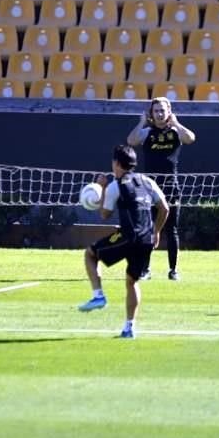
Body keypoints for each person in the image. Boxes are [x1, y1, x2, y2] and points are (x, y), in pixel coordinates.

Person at [79, 144, 170, 339]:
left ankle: (98, 296)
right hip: (147, 239)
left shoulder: (115, 186)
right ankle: (129, 328)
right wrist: (156, 231)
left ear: (117, 164)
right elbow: (165, 208)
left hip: (129, 237)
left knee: (90, 254)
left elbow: (104, 214)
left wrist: (102, 188)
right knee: (131, 281)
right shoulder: (147, 182)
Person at [126, 96, 196, 281]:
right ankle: (145, 270)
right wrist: (141, 122)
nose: (159, 114)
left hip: (171, 186)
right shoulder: (147, 132)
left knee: (171, 229)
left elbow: (190, 138)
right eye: (156, 110)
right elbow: (131, 140)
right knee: (148, 229)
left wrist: (177, 123)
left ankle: (173, 270)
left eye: (162, 110)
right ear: (151, 113)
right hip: (149, 186)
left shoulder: (175, 131)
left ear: (168, 112)